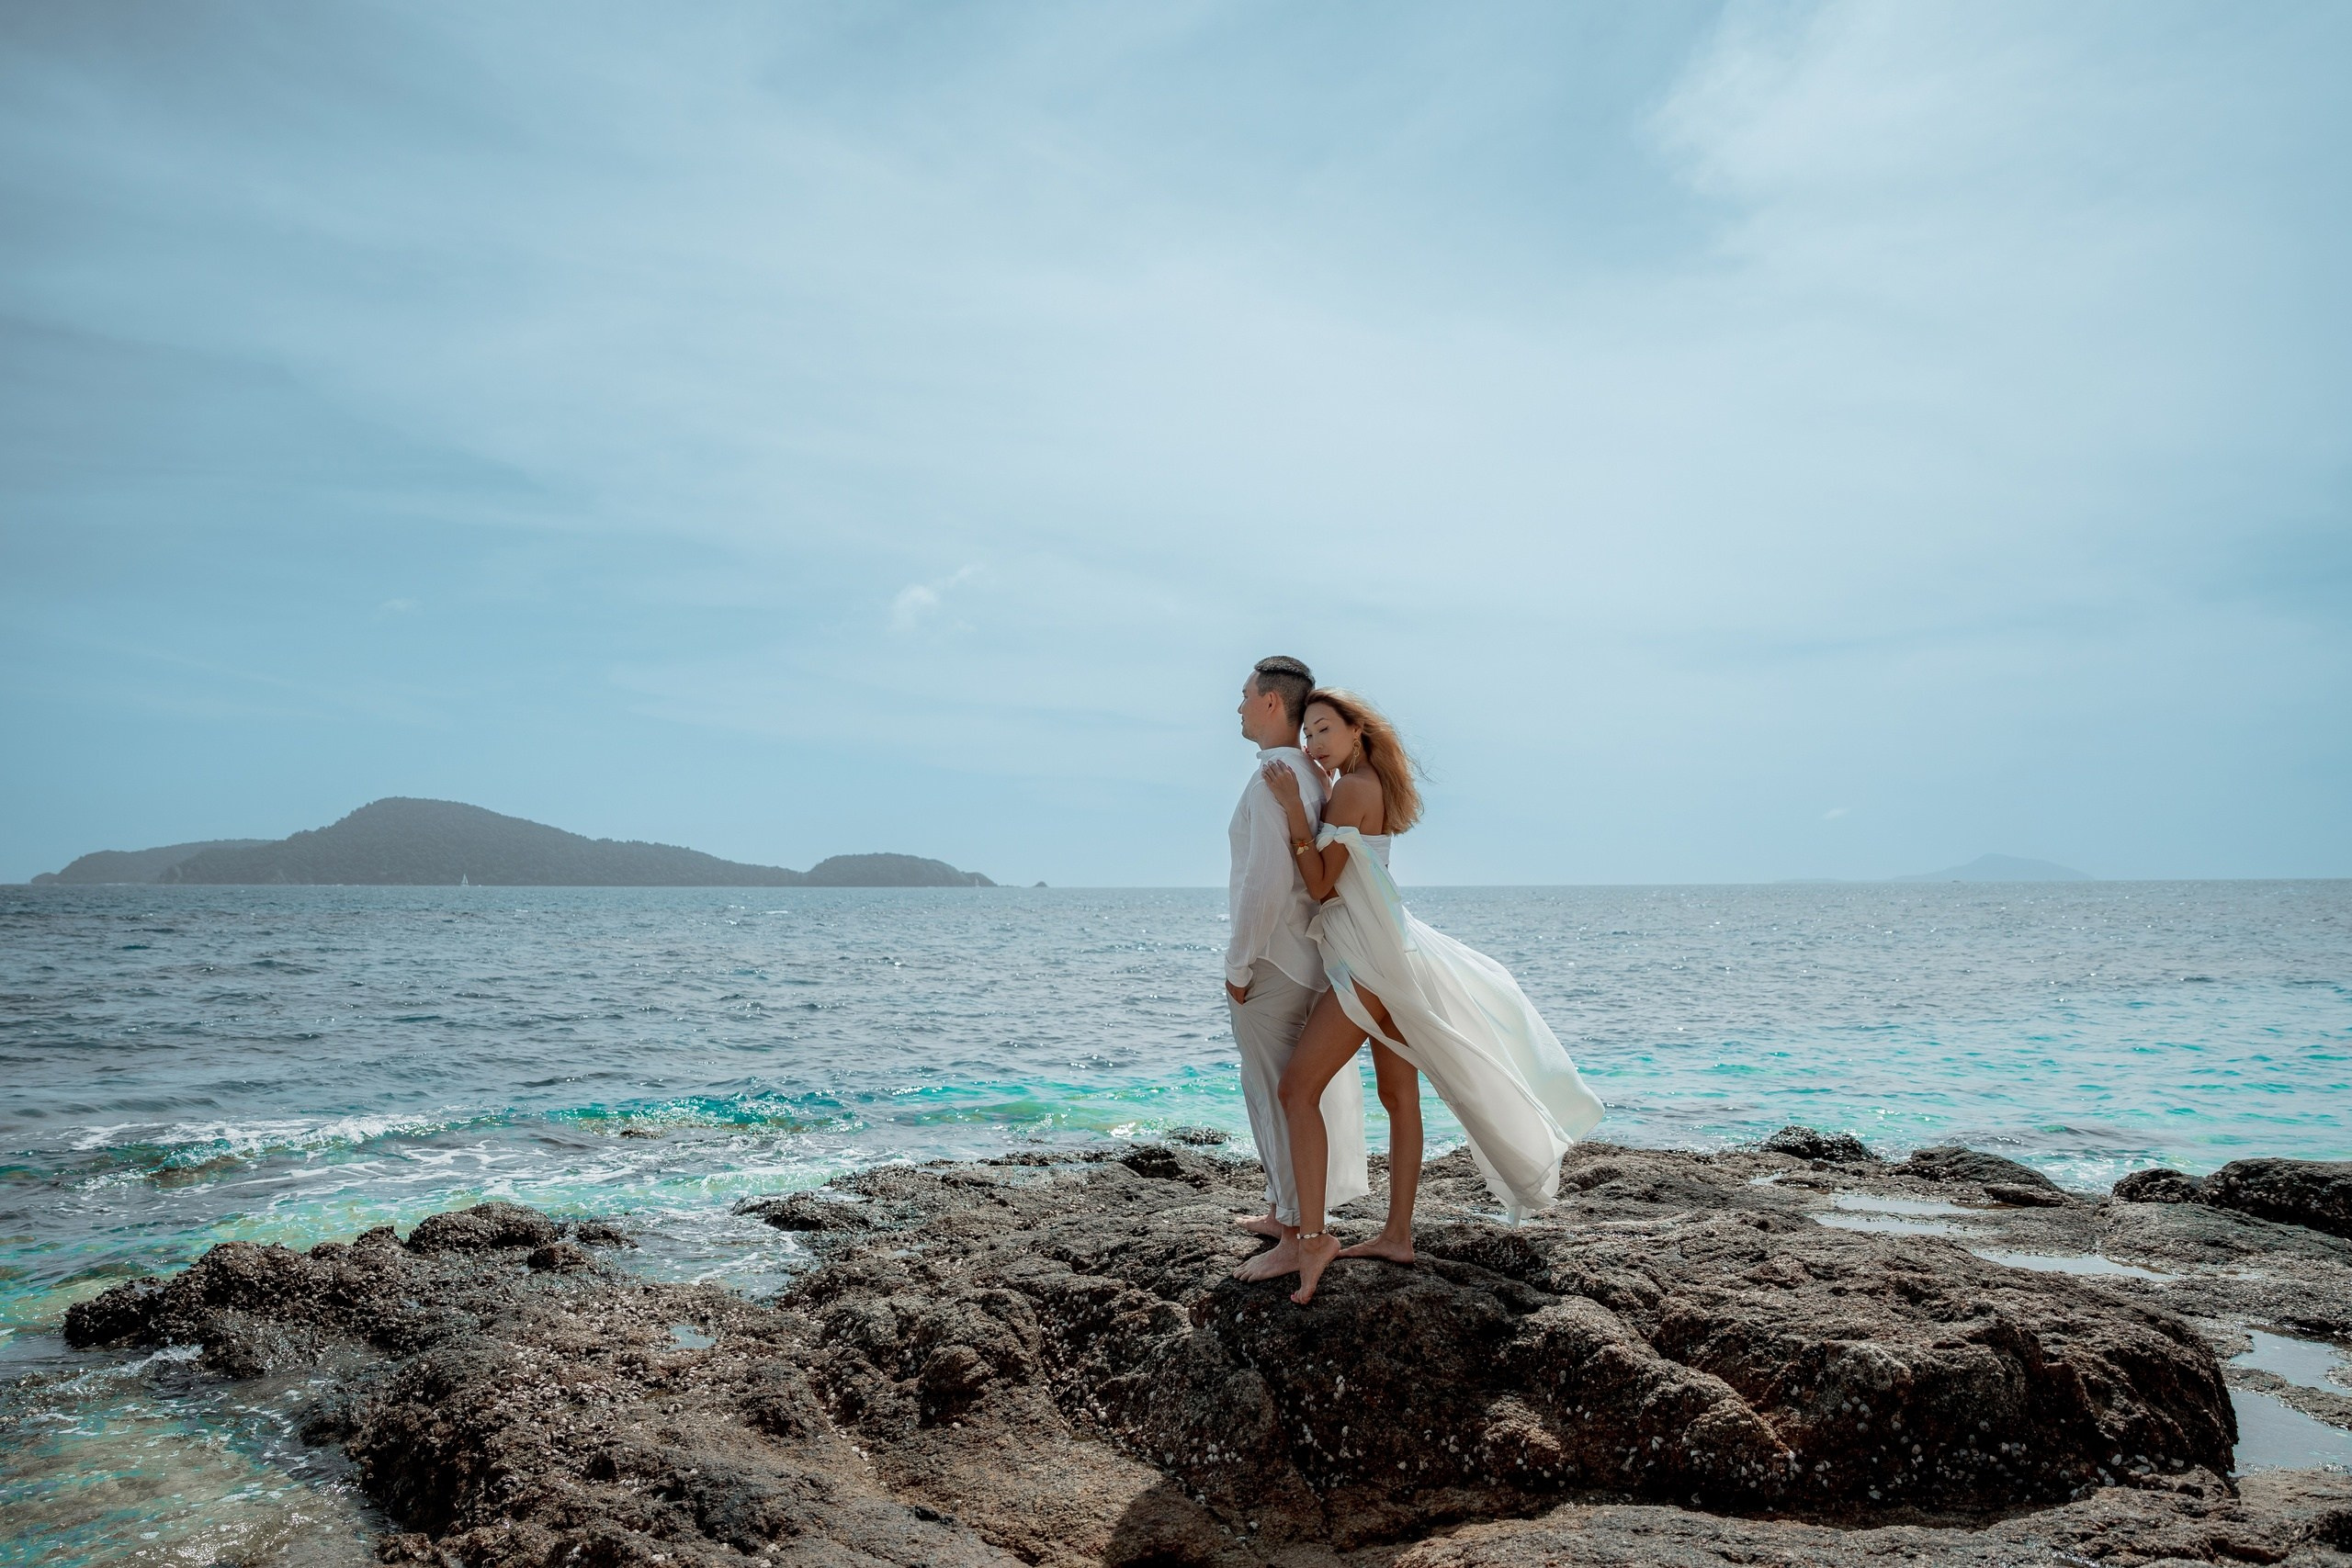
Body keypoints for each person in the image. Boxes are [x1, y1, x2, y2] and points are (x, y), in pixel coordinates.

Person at [1255, 688, 1604, 1304]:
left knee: (1295, 1088)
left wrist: (1289, 807)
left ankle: (1312, 1238)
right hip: (1392, 950)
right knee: (1398, 1094)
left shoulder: (1353, 788)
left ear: (1357, 729)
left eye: (1324, 730)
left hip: (1367, 956)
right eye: (1307, 734)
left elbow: (1319, 884)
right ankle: (1396, 1234)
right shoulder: (1370, 784)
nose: (1313, 745)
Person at [1224, 657, 1369, 1274]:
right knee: (1289, 1092)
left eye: (1244, 695)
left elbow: (1263, 886)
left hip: (1276, 959)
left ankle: (1295, 1235)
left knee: (1275, 1091)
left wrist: (1238, 964)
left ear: (1271, 703)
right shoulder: (1313, 777)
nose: (1237, 706)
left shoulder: (1271, 780)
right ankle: (1286, 1211)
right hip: (1309, 957)